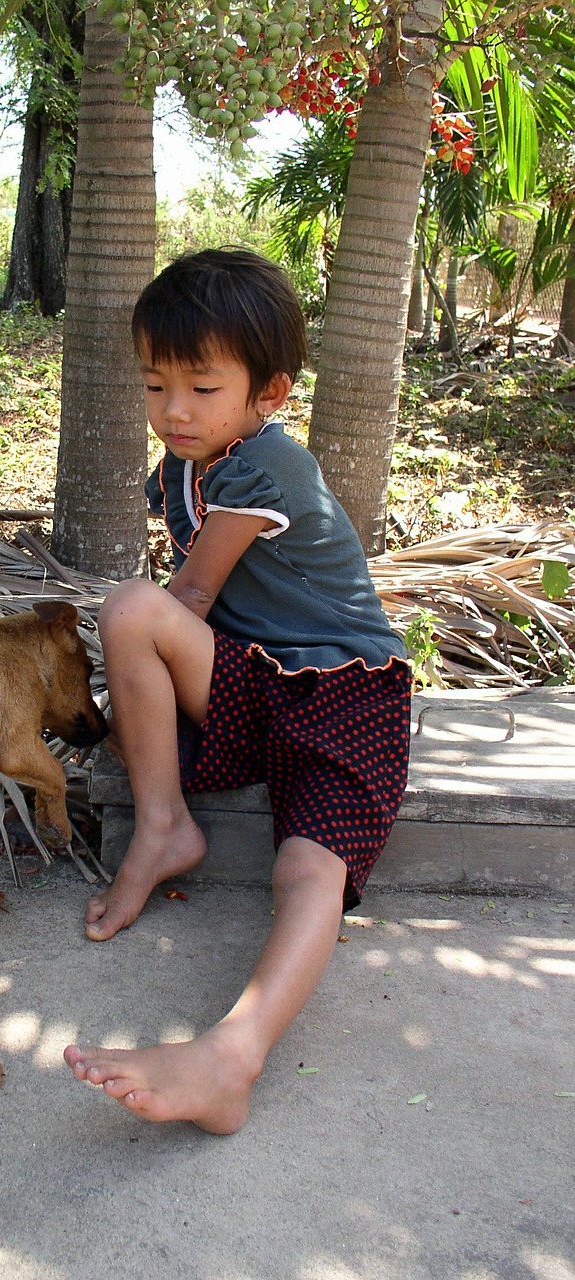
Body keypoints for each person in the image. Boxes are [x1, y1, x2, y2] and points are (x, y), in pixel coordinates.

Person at [63, 247, 412, 1134]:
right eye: (154, 385)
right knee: (129, 614)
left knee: (307, 871)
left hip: (346, 691)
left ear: (270, 394)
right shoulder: (191, 461)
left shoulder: (268, 466)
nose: (173, 411)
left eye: (201, 387)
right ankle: (165, 826)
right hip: (255, 679)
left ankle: (233, 1054)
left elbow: (188, 598)